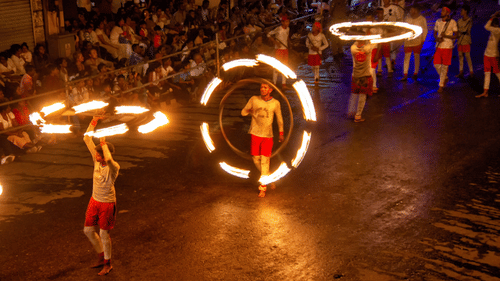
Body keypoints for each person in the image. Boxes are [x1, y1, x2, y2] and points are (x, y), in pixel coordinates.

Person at [83, 116, 120, 276]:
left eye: (99, 154)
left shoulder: (113, 167)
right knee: (88, 230)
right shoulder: (97, 160)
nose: (96, 157)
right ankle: (101, 256)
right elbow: (86, 138)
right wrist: (94, 121)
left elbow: (110, 159)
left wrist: (104, 144)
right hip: (94, 200)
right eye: (96, 154)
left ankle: (108, 263)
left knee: (104, 234)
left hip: (107, 203)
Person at [241, 83, 284, 198]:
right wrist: (250, 111)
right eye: (261, 87)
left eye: (265, 87)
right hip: (255, 134)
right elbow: (243, 112)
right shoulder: (254, 99)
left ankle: (263, 187)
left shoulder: (275, 103)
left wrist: (281, 132)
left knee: (265, 161)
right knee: (256, 160)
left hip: (267, 136)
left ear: (270, 90)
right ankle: (269, 177)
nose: (262, 89)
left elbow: (279, 118)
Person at [349, 38, 375, 123]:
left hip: (356, 75)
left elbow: (357, 43)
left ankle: (352, 111)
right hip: (365, 76)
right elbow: (375, 42)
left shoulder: (353, 48)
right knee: (362, 96)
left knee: (355, 94)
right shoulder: (368, 48)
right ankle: (358, 115)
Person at [476, 11, 500, 98]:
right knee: (488, 73)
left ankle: (485, 92)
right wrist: (493, 16)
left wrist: (493, 16)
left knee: (497, 73)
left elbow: (486, 26)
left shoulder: (497, 30)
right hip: (487, 54)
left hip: (493, 55)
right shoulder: (495, 30)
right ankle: (485, 92)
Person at [433, 6, 457, 93]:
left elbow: (456, 35)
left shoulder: (452, 22)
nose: (441, 12)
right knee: (436, 64)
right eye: (441, 10)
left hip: (447, 46)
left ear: (447, 13)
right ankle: (445, 78)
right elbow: (435, 33)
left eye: (443, 11)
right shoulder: (438, 21)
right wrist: (437, 38)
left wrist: (446, 36)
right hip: (439, 46)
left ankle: (441, 85)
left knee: (444, 67)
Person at [401, 4, 427, 81]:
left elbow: (424, 30)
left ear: (415, 10)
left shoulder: (422, 19)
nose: (410, 11)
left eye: (412, 10)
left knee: (416, 57)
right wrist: (402, 36)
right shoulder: (407, 18)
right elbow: (404, 28)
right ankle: (405, 74)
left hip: (417, 41)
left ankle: (415, 72)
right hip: (408, 41)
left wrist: (423, 40)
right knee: (406, 57)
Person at [267, 15, 291, 89]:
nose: (288, 23)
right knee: (277, 66)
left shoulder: (288, 29)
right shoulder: (278, 29)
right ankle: (274, 83)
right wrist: (275, 42)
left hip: (285, 49)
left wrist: (289, 43)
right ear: (282, 22)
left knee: (285, 66)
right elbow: (269, 34)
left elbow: (287, 37)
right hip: (278, 50)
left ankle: (284, 84)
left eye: (288, 21)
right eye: (286, 21)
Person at [456, 5, 474, 78]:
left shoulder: (469, 20)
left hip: (466, 40)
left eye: (462, 10)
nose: (461, 12)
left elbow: (467, 31)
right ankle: (461, 72)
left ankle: (471, 72)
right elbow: (457, 31)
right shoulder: (459, 21)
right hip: (460, 40)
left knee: (467, 56)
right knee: (460, 57)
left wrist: (461, 31)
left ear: (465, 11)